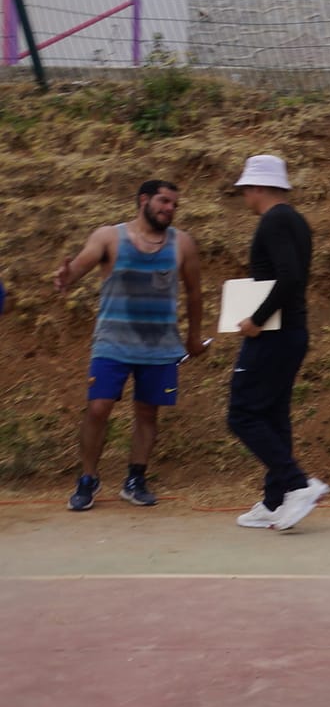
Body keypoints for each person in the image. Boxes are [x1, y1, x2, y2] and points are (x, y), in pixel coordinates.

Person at [53, 180, 205, 511]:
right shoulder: (109, 237)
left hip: (159, 345)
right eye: (164, 201)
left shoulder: (183, 244)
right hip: (113, 342)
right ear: (144, 200)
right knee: (98, 408)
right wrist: (67, 276)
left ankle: (135, 479)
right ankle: (88, 479)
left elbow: (195, 293)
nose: (169, 208)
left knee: (148, 413)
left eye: (174, 205)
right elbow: (80, 265)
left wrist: (193, 336)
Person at [224, 156, 328, 533]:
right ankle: (275, 500)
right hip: (290, 333)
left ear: (258, 187)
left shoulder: (275, 220)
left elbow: (288, 278)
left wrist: (255, 320)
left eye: (246, 189)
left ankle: (298, 485)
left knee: (242, 413)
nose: (244, 197)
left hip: (274, 334)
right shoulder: (295, 220)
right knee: (272, 415)